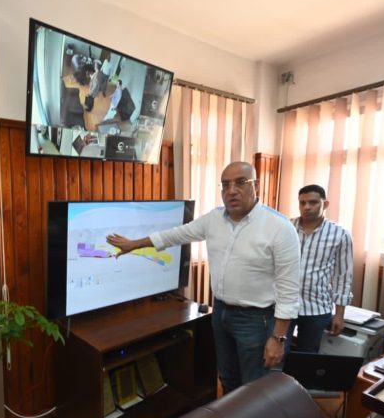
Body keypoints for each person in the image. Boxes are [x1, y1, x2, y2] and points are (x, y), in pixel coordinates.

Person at [106, 162, 300, 392]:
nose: (232, 191)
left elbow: (289, 290)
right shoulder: (214, 219)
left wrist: (278, 338)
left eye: (240, 183)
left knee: (254, 387)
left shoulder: (279, 227)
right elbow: (176, 235)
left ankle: (252, 416)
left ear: (256, 185)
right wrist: (134, 244)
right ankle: (229, 415)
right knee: (227, 377)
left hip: (256, 320)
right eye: (225, 185)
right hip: (220, 313)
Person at [287, 184, 354, 353]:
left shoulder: (340, 234)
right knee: (276, 354)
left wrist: (339, 315)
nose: (307, 207)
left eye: (313, 202)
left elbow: (343, 276)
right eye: (302, 203)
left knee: (307, 357)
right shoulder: (286, 227)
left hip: (316, 307)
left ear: (325, 204)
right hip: (284, 304)